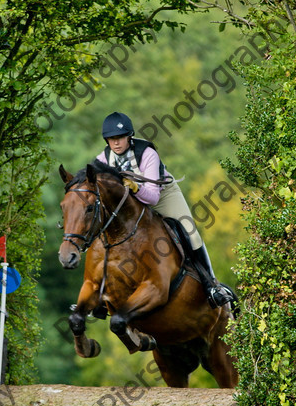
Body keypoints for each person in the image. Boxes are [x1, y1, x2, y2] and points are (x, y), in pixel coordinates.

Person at [96, 111, 233, 309]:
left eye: (120, 137)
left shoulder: (147, 153)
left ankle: (211, 285)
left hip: (163, 195)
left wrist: (136, 187)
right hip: (129, 204)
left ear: (129, 136)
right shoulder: (102, 160)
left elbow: (152, 196)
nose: (116, 143)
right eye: (111, 139)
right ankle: (101, 292)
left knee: (189, 231)